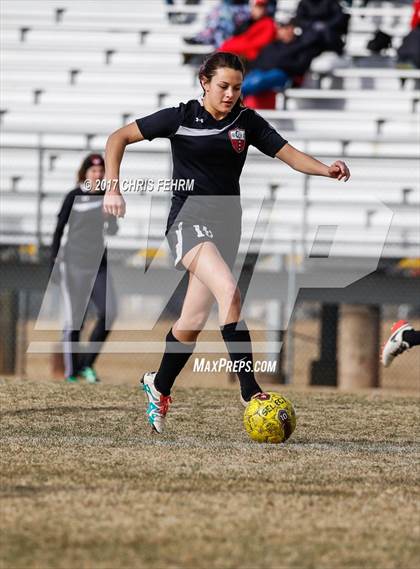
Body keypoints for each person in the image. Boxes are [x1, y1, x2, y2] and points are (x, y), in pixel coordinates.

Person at [103, 52, 350, 433]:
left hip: (227, 227)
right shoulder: (180, 117)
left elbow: (289, 156)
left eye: (237, 87)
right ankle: (250, 391)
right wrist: (113, 189)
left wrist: (326, 169)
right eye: (223, 86)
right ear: (204, 81)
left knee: (192, 321)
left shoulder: (246, 121)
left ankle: (158, 385)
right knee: (230, 295)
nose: (230, 93)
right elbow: (118, 138)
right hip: (187, 222)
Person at [50, 154, 118, 383]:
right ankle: (71, 373)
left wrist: (111, 217)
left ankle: (86, 364)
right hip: (73, 264)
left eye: (101, 172)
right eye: (93, 171)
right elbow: (59, 229)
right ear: (85, 173)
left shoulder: (107, 196)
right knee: (74, 320)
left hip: (98, 265)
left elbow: (112, 230)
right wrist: (54, 262)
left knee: (109, 313)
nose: (97, 175)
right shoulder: (74, 195)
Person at [241, 20, 323, 97]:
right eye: (281, 28)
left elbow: (300, 67)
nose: (284, 31)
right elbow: (258, 62)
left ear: (293, 29)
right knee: (240, 82)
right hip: (261, 72)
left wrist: (279, 64)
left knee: (256, 81)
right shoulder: (272, 46)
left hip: (284, 76)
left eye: (287, 27)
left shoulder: (302, 46)